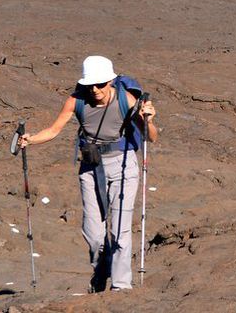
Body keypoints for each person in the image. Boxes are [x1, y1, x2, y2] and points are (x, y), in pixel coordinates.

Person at [19, 55, 158, 291]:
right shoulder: (76, 101)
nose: (94, 90)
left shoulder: (127, 99)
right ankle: (102, 268)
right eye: (89, 85)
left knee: (121, 230)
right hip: (91, 167)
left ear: (111, 82)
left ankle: (121, 286)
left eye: (100, 84)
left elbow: (151, 137)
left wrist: (149, 120)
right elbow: (53, 130)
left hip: (123, 165)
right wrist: (30, 140)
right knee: (94, 233)